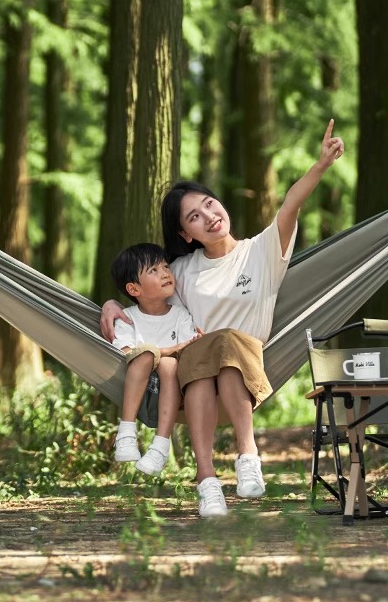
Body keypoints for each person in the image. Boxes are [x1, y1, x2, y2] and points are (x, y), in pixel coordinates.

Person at [101, 120, 345, 517]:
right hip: (196, 372)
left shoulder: (261, 251)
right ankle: (208, 481)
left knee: (227, 342)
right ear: (186, 235)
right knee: (203, 357)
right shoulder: (182, 271)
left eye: (210, 204)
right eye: (194, 217)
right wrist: (110, 306)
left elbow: (290, 204)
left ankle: (246, 457)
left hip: (245, 367)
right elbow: (147, 297)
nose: (210, 216)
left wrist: (319, 166)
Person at [109, 242, 201, 476]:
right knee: (146, 353)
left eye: (165, 266)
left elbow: (188, 349)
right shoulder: (127, 318)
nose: (165, 273)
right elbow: (127, 352)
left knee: (168, 363)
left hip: (171, 392)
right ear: (134, 289)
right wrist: (170, 349)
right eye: (153, 270)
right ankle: (127, 433)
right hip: (138, 392)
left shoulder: (181, 316)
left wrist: (169, 352)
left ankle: (160, 446)